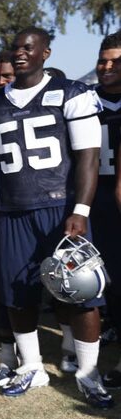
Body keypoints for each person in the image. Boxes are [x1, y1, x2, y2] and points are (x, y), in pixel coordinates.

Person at [0, 27, 113, 408]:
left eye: (28, 48)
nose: (20, 54)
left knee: (81, 291)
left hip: (59, 207)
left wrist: (80, 209)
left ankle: (87, 371)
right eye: (15, 48)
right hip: (12, 210)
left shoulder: (72, 94)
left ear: (45, 53)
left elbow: (88, 157)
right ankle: (32, 366)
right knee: (17, 294)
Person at [91, 32, 121, 387]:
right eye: (103, 61)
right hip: (93, 197)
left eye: (116, 61)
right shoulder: (84, 100)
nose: (108, 67)